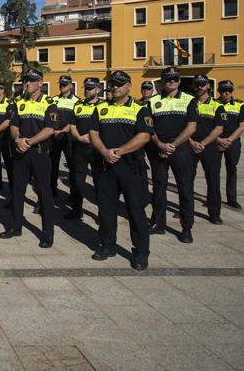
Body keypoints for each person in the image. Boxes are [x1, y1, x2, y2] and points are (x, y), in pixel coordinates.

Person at [88, 70, 154, 270]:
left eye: (118, 84)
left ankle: (141, 252)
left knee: (135, 210)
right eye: (112, 84)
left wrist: (120, 151)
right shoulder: (101, 109)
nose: (114, 87)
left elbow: (144, 136)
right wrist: (104, 151)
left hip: (130, 166)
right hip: (106, 165)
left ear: (128, 86)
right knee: (106, 208)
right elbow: (93, 133)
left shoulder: (139, 109)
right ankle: (108, 245)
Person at [1, 68, 58, 248]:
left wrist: (30, 141)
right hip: (20, 152)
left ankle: (47, 233)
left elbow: (50, 129)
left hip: (39, 153)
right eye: (25, 80)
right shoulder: (17, 103)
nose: (27, 83)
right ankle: (15, 226)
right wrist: (18, 139)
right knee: (17, 191)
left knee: (44, 193)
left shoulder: (49, 103)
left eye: (32, 80)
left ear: (41, 83)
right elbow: (13, 126)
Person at [147, 67, 198, 243]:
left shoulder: (189, 100)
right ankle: (159, 223)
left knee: (185, 188)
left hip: (181, 149)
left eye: (175, 79)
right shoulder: (152, 102)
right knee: (159, 187)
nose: (171, 81)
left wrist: (173, 145)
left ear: (179, 81)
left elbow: (191, 127)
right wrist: (160, 144)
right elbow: (149, 127)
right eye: (168, 79)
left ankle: (186, 228)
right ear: (162, 81)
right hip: (158, 148)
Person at [190, 74, 226, 224]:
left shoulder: (218, 105)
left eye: (203, 84)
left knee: (213, 181)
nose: (200, 87)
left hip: (209, 147)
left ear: (208, 86)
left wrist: (203, 143)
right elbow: (183, 127)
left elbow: (219, 129)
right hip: (190, 146)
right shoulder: (189, 103)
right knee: (186, 181)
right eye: (197, 84)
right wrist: (191, 142)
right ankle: (186, 210)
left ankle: (214, 213)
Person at [66, 77, 102, 220]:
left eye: (91, 88)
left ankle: (102, 213)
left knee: (99, 181)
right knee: (77, 180)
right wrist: (79, 137)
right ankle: (76, 209)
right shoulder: (78, 105)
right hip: (79, 147)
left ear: (98, 89)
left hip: (96, 149)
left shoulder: (103, 106)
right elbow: (72, 125)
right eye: (86, 88)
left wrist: (94, 139)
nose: (87, 90)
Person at [216, 80, 244, 209]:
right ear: (219, 91)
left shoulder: (239, 105)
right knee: (214, 172)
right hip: (216, 142)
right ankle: (214, 197)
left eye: (229, 90)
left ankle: (232, 199)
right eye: (224, 90)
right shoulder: (213, 104)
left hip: (232, 143)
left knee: (232, 170)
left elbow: (242, 126)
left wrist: (229, 140)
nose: (227, 93)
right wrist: (219, 140)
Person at [51, 75, 77, 196]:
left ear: (71, 86)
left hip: (69, 138)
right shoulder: (54, 100)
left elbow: (75, 121)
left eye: (65, 84)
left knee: (72, 166)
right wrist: (54, 131)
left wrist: (63, 131)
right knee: (52, 166)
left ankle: (73, 193)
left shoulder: (77, 101)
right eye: (61, 84)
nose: (62, 86)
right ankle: (52, 190)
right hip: (54, 137)